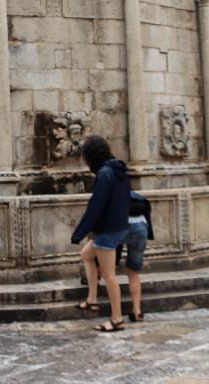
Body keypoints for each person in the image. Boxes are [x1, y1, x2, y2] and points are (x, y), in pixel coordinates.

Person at [70, 135, 130, 333]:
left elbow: (96, 207)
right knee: (86, 255)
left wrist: (79, 233)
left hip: (107, 231)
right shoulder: (119, 170)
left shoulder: (105, 174)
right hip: (118, 227)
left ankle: (116, 319)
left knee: (109, 275)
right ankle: (92, 300)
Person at [124, 188, 154, 323]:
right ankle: (137, 311)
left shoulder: (113, 193)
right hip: (140, 228)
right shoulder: (138, 197)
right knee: (133, 272)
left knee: (107, 268)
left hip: (120, 226)